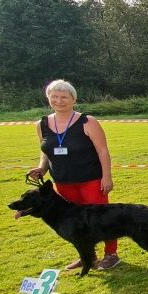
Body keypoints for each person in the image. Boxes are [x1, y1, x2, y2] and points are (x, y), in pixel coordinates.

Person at [26, 79, 120, 270]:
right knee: (75, 221)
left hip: (92, 179)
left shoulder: (88, 121)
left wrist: (107, 176)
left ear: (73, 99)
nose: (59, 101)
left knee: (102, 219)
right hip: (63, 181)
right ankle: (87, 255)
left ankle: (111, 254)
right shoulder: (42, 124)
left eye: (64, 97)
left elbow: (103, 151)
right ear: (48, 99)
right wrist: (41, 168)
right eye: (55, 97)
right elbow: (46, 151)